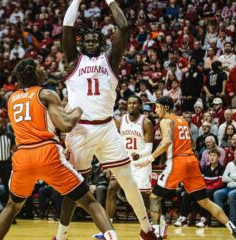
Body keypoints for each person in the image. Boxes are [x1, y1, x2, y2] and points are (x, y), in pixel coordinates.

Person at [58, 1, 156, 240]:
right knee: (74, 186)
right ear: (82, 44)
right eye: (87, 40)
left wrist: (110, 1)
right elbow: (67, 27)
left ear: (102, 43)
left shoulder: (110, 61)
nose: (91, 43)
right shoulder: (73, 62)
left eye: (95, 40)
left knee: (128, 181)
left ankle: (147, 229)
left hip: (107, 128)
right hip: (80, 131)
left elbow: (123, 27)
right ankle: (61, 235)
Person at [0, 59, 118, 240]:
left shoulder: (11, 99)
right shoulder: (46, 94)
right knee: (89, 201)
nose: (44, 69)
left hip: (23, 155)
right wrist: (78, 111)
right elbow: (65, 126)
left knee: (12, 206)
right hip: (46, 152)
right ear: (33, 72)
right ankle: (112, 237)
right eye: (40, 67)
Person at [135, 96, 236, 240]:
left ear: (165, 107)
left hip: (178, 161)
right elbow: (192, 143)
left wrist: (150, 158)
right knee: (205, 201)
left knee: (154, 197)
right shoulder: (182, 121)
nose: (155, 111)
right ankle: (232, 228)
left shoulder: (165, 121)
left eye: (157, 107)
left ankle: (156, 233)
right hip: (192, 161)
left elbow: (167, 141)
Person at [93, 95, 161, 238]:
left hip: (141, 163)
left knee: (143, 196)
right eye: (129, 103)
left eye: (135, 103)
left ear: (140, 105)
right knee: (111, 189)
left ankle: (152, 226)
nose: (131, 105)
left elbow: (149, 148)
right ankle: (107, 229)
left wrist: (140, 154)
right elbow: (111, 143)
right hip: (123, 161)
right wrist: (108, 165)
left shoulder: (146, 122)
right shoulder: (119, 121)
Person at [213, 147, 236, 225]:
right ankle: (221, 218)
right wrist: (234, 178)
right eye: (235, 154)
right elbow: (223, 178)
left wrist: (230, 175)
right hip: (229, 187)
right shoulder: (230, 164)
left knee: (231, 194)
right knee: (217, 194)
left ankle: (233, 220)